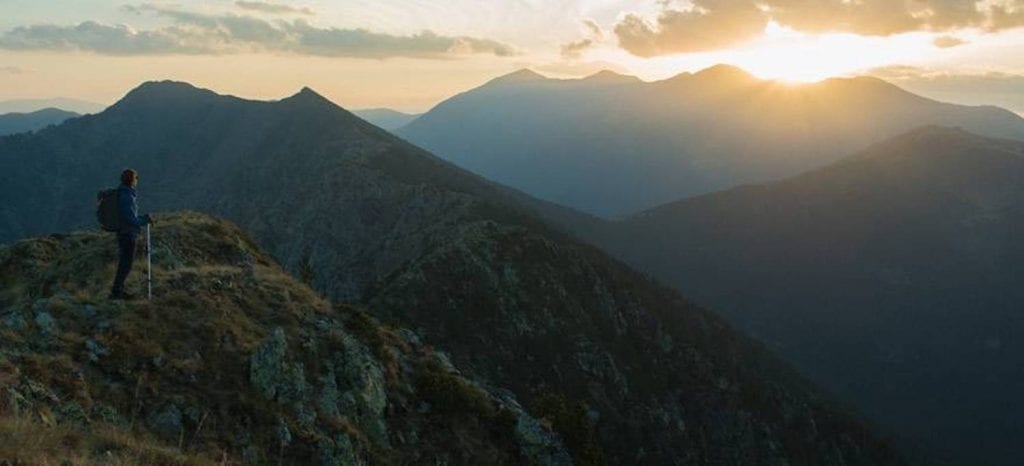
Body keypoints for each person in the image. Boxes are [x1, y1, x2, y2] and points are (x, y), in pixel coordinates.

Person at [109, 168, 152, 300]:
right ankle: (116, 292)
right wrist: (143, 220)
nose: (137, 181)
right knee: (126, 264)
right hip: (128, 233)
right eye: (136, 178)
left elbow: (129, 215)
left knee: (125, 263)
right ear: (132, 180)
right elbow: (130, 217)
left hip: (124, 232)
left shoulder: (123, 193)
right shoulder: (126, 195)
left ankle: (119, 290)